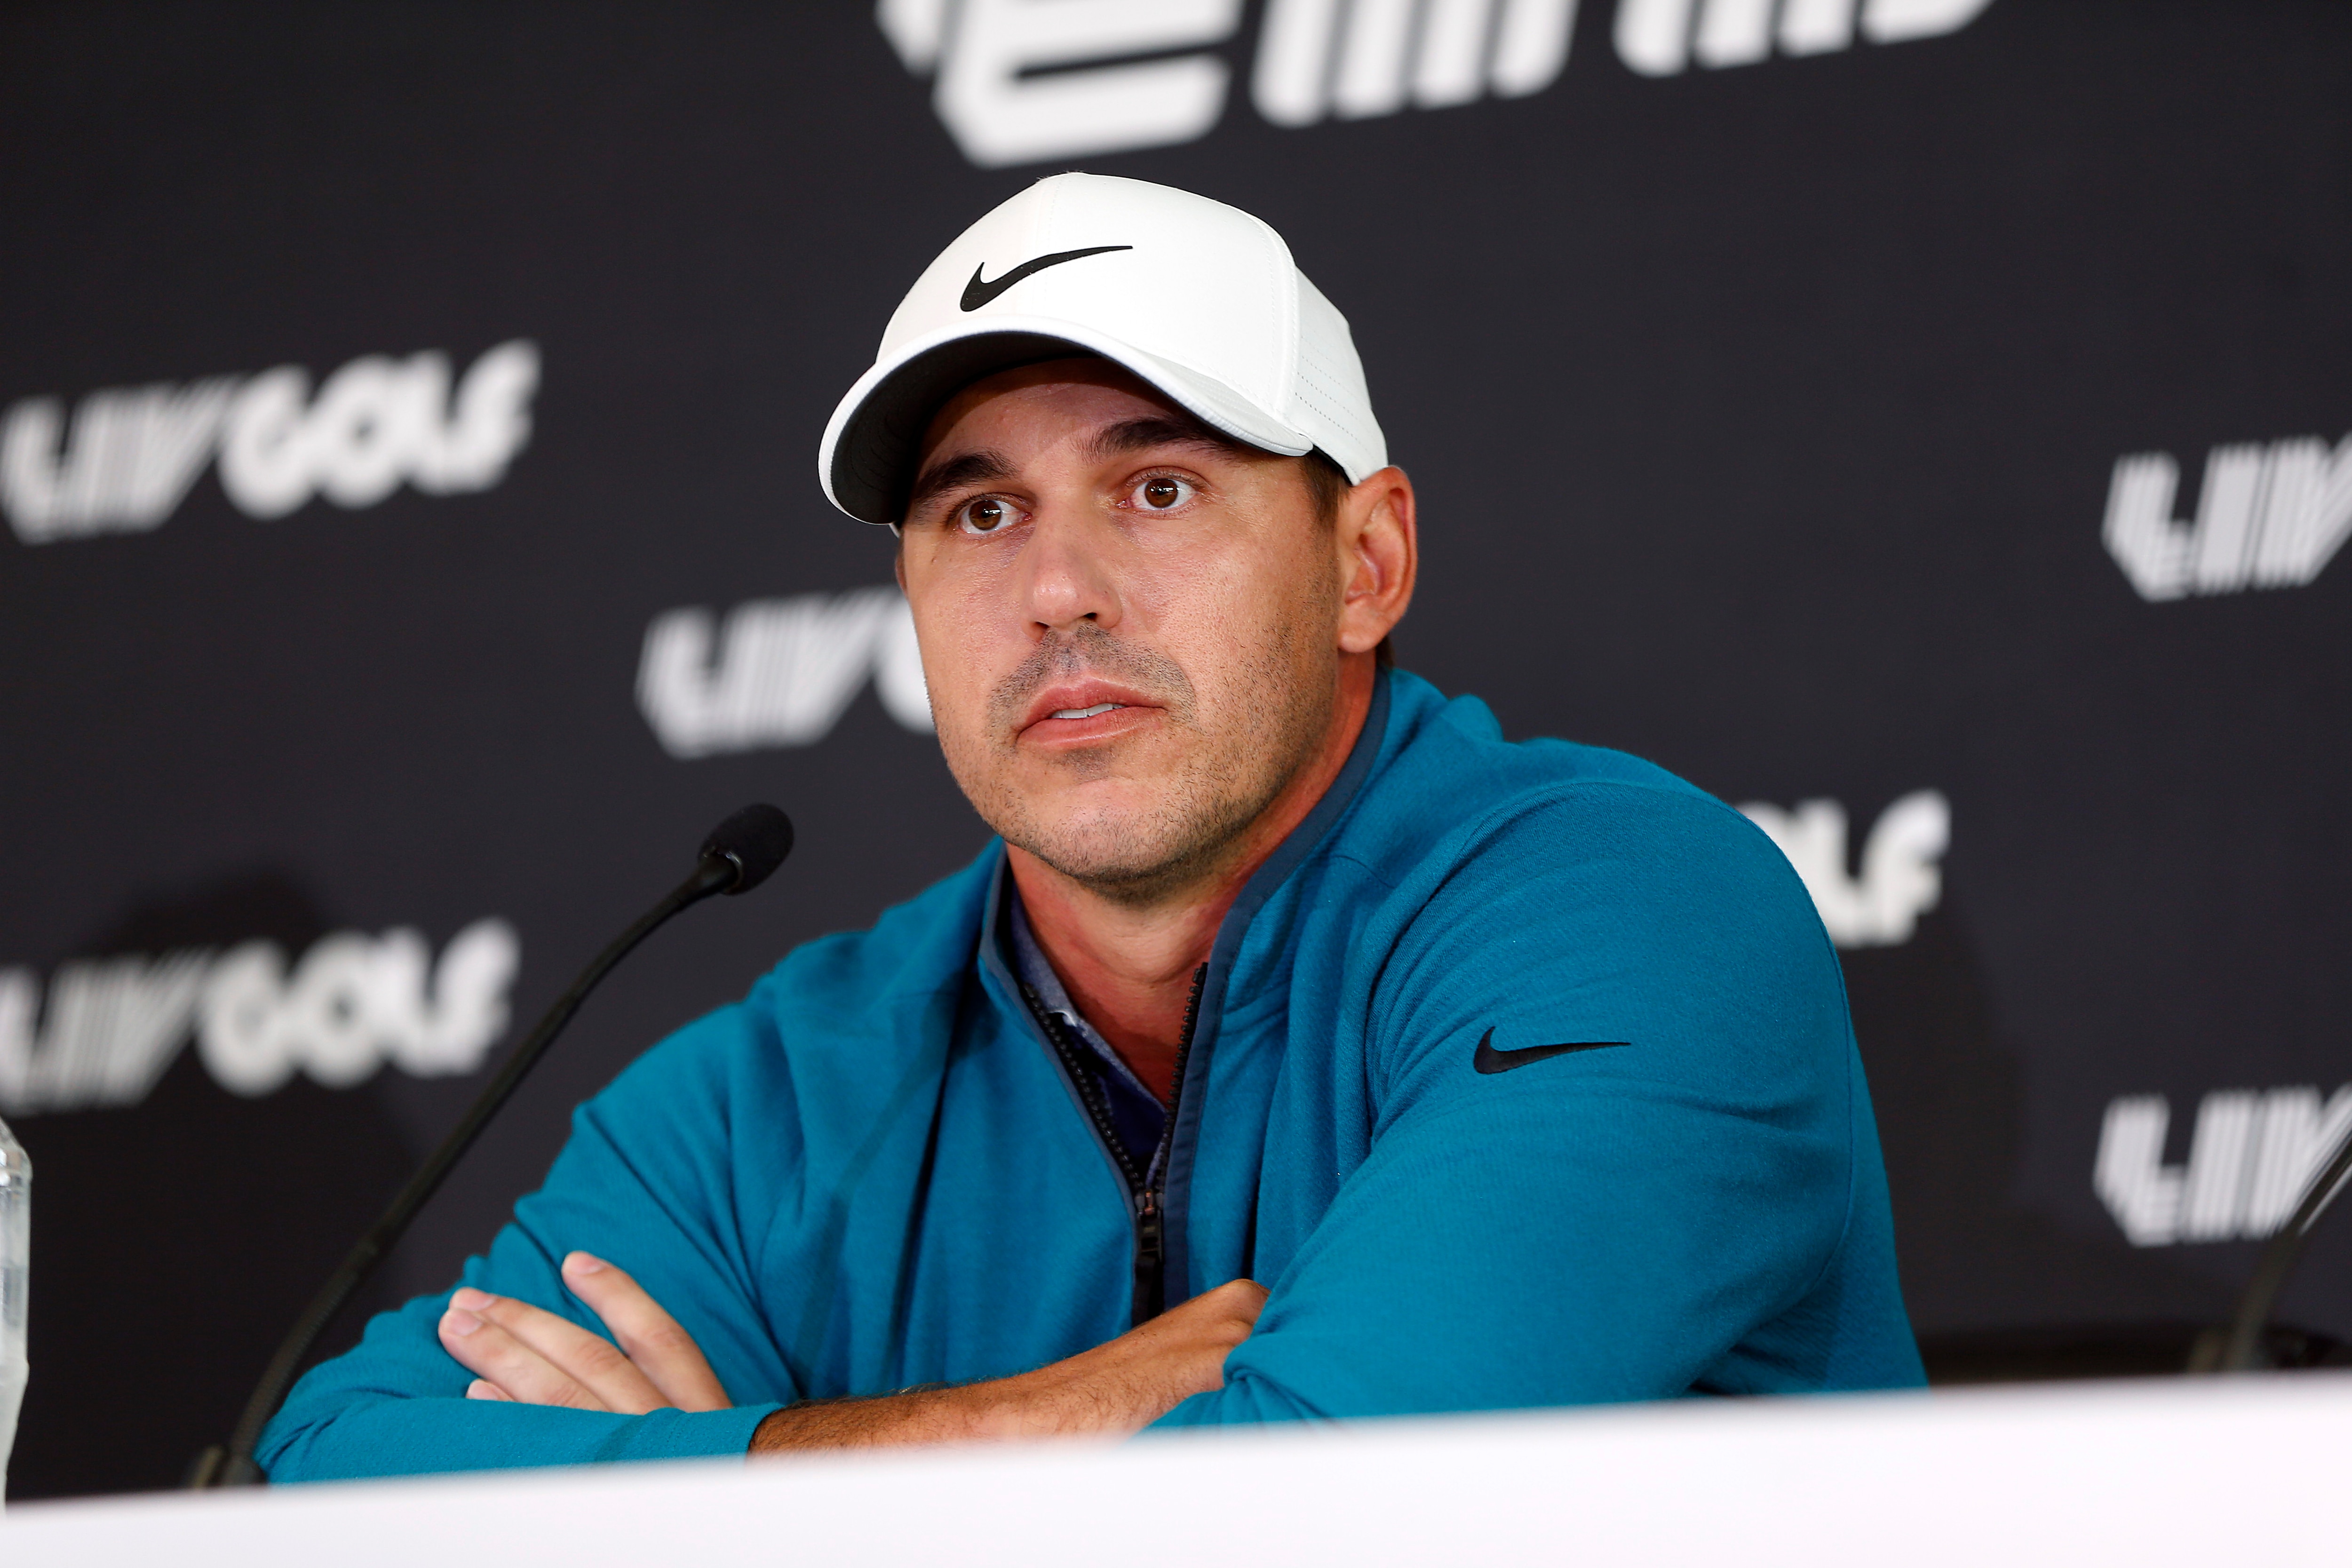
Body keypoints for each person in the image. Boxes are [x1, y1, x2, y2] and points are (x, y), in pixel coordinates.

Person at [262, 174, 1923, 1481]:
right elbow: (337, 1473)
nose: (1056, 591)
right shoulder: (784, 1082)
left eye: (1160, 487)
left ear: (1368, 563)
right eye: (980, 512)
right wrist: (1013, 1424)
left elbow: (1322, 1501)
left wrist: (707, 1493)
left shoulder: (1627, 912)